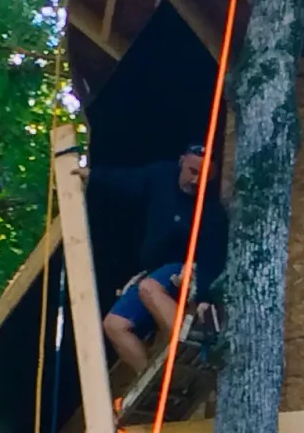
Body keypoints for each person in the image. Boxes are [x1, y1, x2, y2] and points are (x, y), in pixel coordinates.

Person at [87, 148, 229, 371]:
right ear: (181, 162)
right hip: (154, 272)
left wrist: (203, 295)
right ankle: (150, 374)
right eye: (192, 171)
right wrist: (91, 175)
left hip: (184, 270)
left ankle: (188, 343)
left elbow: (213, 257)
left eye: (203, 176)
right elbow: (126, 181)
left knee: (148, 288)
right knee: (114, 324)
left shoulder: (211, 212)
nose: (195, 180)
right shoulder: (161, 177)